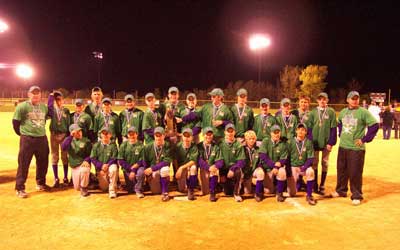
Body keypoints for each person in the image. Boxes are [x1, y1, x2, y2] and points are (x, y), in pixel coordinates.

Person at [330, 91, 378, 206]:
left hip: (356, 149)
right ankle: (341, 190)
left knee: (355, 172)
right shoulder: (343, 112)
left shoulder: (363, 112)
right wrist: (340, 132)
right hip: (343, 146)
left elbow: (375, 125)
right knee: (341, 170)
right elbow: (340, 122)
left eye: (357, 98)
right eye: (353, 98)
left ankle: (356, 195)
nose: (355, 100)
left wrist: (364, 139)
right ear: (348, 100)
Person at [12, 85, 51, 198]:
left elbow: (47, 118)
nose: (35, 95)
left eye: (37, 93)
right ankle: (20, 187)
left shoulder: (44, 107)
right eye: (33, 93)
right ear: (29, 94)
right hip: (27, 139)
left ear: (40, 95)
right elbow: (15, 122)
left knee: (43, 162)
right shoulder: (22, 106)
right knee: (24, 163)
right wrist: (22, 134)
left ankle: (40, 183)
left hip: (42, 138)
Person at [307, 92, 337, 195]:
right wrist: (310, 141)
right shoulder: (313, 112)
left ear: (327, 100)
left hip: (326, 142)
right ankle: (314, 184)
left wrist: (331, 142)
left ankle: (322, 184)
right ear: (317, 101)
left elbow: (333, 128)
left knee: (325, 163)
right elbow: (309, 129)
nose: (322, 101)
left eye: (324, 99)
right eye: (320, 99)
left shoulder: (331, 112)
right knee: (314, 163)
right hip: (315, 142)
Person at [287, 123, 317, 205]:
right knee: (292, 193)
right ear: (296, 131)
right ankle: (295, 184)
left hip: (304, 167)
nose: (300, 131)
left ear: (306, 132)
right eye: (299, 129)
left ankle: (309, 195)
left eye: (303, 130)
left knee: (310, 171)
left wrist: (305, 167)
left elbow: (311, 158)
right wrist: (288, 170)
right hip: (294, 167)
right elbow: (287, 157)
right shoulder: (290, 142)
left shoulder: (308, 142)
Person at [258, 125, 289, 202]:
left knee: (282, 171)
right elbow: (263, 156)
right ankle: (260, 189)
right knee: (268, 191)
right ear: (271, 133)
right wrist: (274, 166)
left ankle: (279, 193)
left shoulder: (283, 144)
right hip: (268, 169)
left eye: (278, 132)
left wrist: (277, 167)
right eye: (274, 132)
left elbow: (283, 159)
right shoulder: (265, 141)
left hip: (277, 169)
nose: (276, 134)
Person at [61, 124, 92, 197]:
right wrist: (71, 136)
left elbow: (91, 154)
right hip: (74, 166)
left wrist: (87, 160)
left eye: (80, 131)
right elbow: (63, 148)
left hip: (83, 164)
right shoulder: (68, 140)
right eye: (76, 132)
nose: (79, 133)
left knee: (84, 170)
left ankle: (84, 188)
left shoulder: (86, 141)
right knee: (77, 188)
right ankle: (91, 177)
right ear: (72, 133)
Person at [48, 91, 71, 187]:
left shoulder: (66, 111)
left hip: (64, 135)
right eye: (56, 99)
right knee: (54, 156)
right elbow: (49, 106)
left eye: (59, 99)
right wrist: (51, 96)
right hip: (54, 135)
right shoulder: (52, 109)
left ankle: (65, 177)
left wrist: (69, 136)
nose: (58, 101)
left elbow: (69, 123)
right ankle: (56, 178)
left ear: (63, 100)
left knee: (65, 156)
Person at [143, 127, 172, 202]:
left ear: (164, 136)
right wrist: (147, 175)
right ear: (154, 136)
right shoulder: (148, 147)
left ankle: (165, 192)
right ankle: (162, 185)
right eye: (156, 135)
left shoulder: (168, 146)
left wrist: (152, 168)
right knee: (155, 191)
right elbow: (145, 161)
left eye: (160, 135)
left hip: (161, 168)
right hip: (153, 171)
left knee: (165, 169)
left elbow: (166, 162)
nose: (158, 138)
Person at [218, 124, 246, 202]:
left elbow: (242, 161)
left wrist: (233, 169)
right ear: (225, 132)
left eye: (232, 131)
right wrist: (221, 174)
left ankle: (236, 193)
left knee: (238, 171)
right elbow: (218, 159)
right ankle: (225, 185)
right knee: (227, 192)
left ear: (234, 132)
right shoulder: (220, 144)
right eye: (228, 131)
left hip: (234, 169)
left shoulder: (238, 144)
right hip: (224, 169)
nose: (230, 133)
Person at [90, 127, 119, 198]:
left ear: (110, 135)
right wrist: (101, 166)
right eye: (104, 133)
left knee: (114, 169)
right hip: (101, 169)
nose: (105, 135)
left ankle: (112, 191)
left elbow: (114, 158)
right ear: (101, 135)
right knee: (104, 188)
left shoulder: (113, 145)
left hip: (110, 166)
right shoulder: (96, 145)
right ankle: (94, 177)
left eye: (107, 133)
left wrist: (107, 165)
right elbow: (93, 158)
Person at [117, 126, 145, 198]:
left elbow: (143, 160)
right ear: (127, 135)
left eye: (133, 134)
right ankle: (136, 185)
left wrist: (134, 169)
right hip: (127, 168)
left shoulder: (141, 145)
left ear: (137, 134)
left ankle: (139, 190)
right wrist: (131, 169)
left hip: (138, 168)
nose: (132, 136)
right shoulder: (123, 145)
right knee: (130, 189)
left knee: (141, 172)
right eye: (130, 134)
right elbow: (120, 160)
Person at [197, 127, 224, 202]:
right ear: (203, 135)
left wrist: (215, 166)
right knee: (205, 192)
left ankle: (213, 192)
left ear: (212, 135)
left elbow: (220, 160)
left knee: (214, 171)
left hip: (213, 169)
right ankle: (210, 187)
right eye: (207, 134)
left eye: (210, 134)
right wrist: (208, 167)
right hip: (204, 168)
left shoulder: (216, 146)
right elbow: (199, 160)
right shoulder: (199, 146)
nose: (208, 136)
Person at [175, 128, 199, 200]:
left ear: (192, 137)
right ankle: (184, 184)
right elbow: (175, 160)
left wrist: (182, 167)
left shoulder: (194, 146)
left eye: (189, 136)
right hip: (181, 170)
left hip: (188, 167)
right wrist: (177, 170)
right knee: (181, 190)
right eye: (185, 136)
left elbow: (193, 161)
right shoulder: (178, 146)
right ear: (182, 137)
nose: (186, 138)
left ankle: (191, 189)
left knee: (193, 168)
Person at [242, 130, 262, 202]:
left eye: (253, 139)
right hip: (246, 173)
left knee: (260, 172)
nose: (251, 140)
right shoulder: (242, 149)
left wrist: (254, 176)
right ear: (246, 140)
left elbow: (261, 161)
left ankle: (258, 193)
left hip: (254, 171)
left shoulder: (259, 148)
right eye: (249, 139)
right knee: (247, 192)